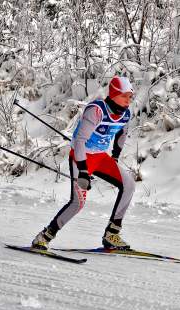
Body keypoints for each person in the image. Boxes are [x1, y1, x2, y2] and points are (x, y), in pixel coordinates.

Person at [31, 76, 135, 250]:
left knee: (129, 185)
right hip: (82, 157)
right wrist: (84, 172)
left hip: (101, 158)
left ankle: (112, 235)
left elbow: (121, 135)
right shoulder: (96, 110)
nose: (128, 100)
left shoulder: (126, 114)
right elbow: (79, 142)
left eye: (130, 96)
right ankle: (44, 236)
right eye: (125, 96)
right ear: (114, 94)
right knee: (78, 203)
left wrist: (115, 157)